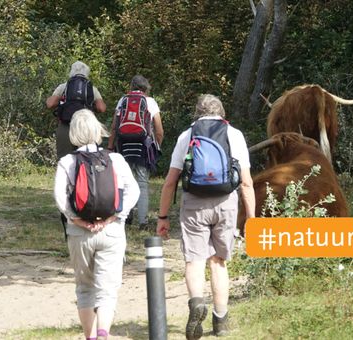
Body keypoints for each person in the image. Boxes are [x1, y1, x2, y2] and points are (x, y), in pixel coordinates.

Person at [156, 95, 255, 339]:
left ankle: (197, 302)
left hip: (194, 204)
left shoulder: (186, 136)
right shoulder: (234, 134)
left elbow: (170, 182)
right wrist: (252, 218)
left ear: (197, 113)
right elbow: (246, 182)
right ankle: (220, 321)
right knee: (218, 261)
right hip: (225, 204)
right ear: (221, 112)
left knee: (194, 260)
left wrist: (163, 216)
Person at [54, 109, 139, 340]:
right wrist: (115, 217)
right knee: (107, 289)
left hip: (79, 233)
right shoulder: (115, 159)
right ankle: (103, 334)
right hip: (111, 232)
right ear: (97, 130)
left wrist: (77, 219)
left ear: (73, 133)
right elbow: (134, 191)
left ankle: (90, 337)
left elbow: (61, 198)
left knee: (84, 289)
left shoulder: (67, 162)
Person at [107, 75, 164, 230]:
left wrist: (110, 147)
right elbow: (159, 131)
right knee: (142, 184)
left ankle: (126, 218)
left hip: (124, 147)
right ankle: (143, 222)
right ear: (146, 88)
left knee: (125, 183)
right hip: (142, 148)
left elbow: (114, 126)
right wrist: (156, 147)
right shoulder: (150, 102)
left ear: (131, 86)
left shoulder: (122, 100)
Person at [46, 61, 107, 159]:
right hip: (86, 128)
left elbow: (50, 104)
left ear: (71, 72)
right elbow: (101, 108)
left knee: (64, 158)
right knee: (87, 158)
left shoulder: (64, 86)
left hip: (66, 126)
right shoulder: (91, 88)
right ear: (86, 73)